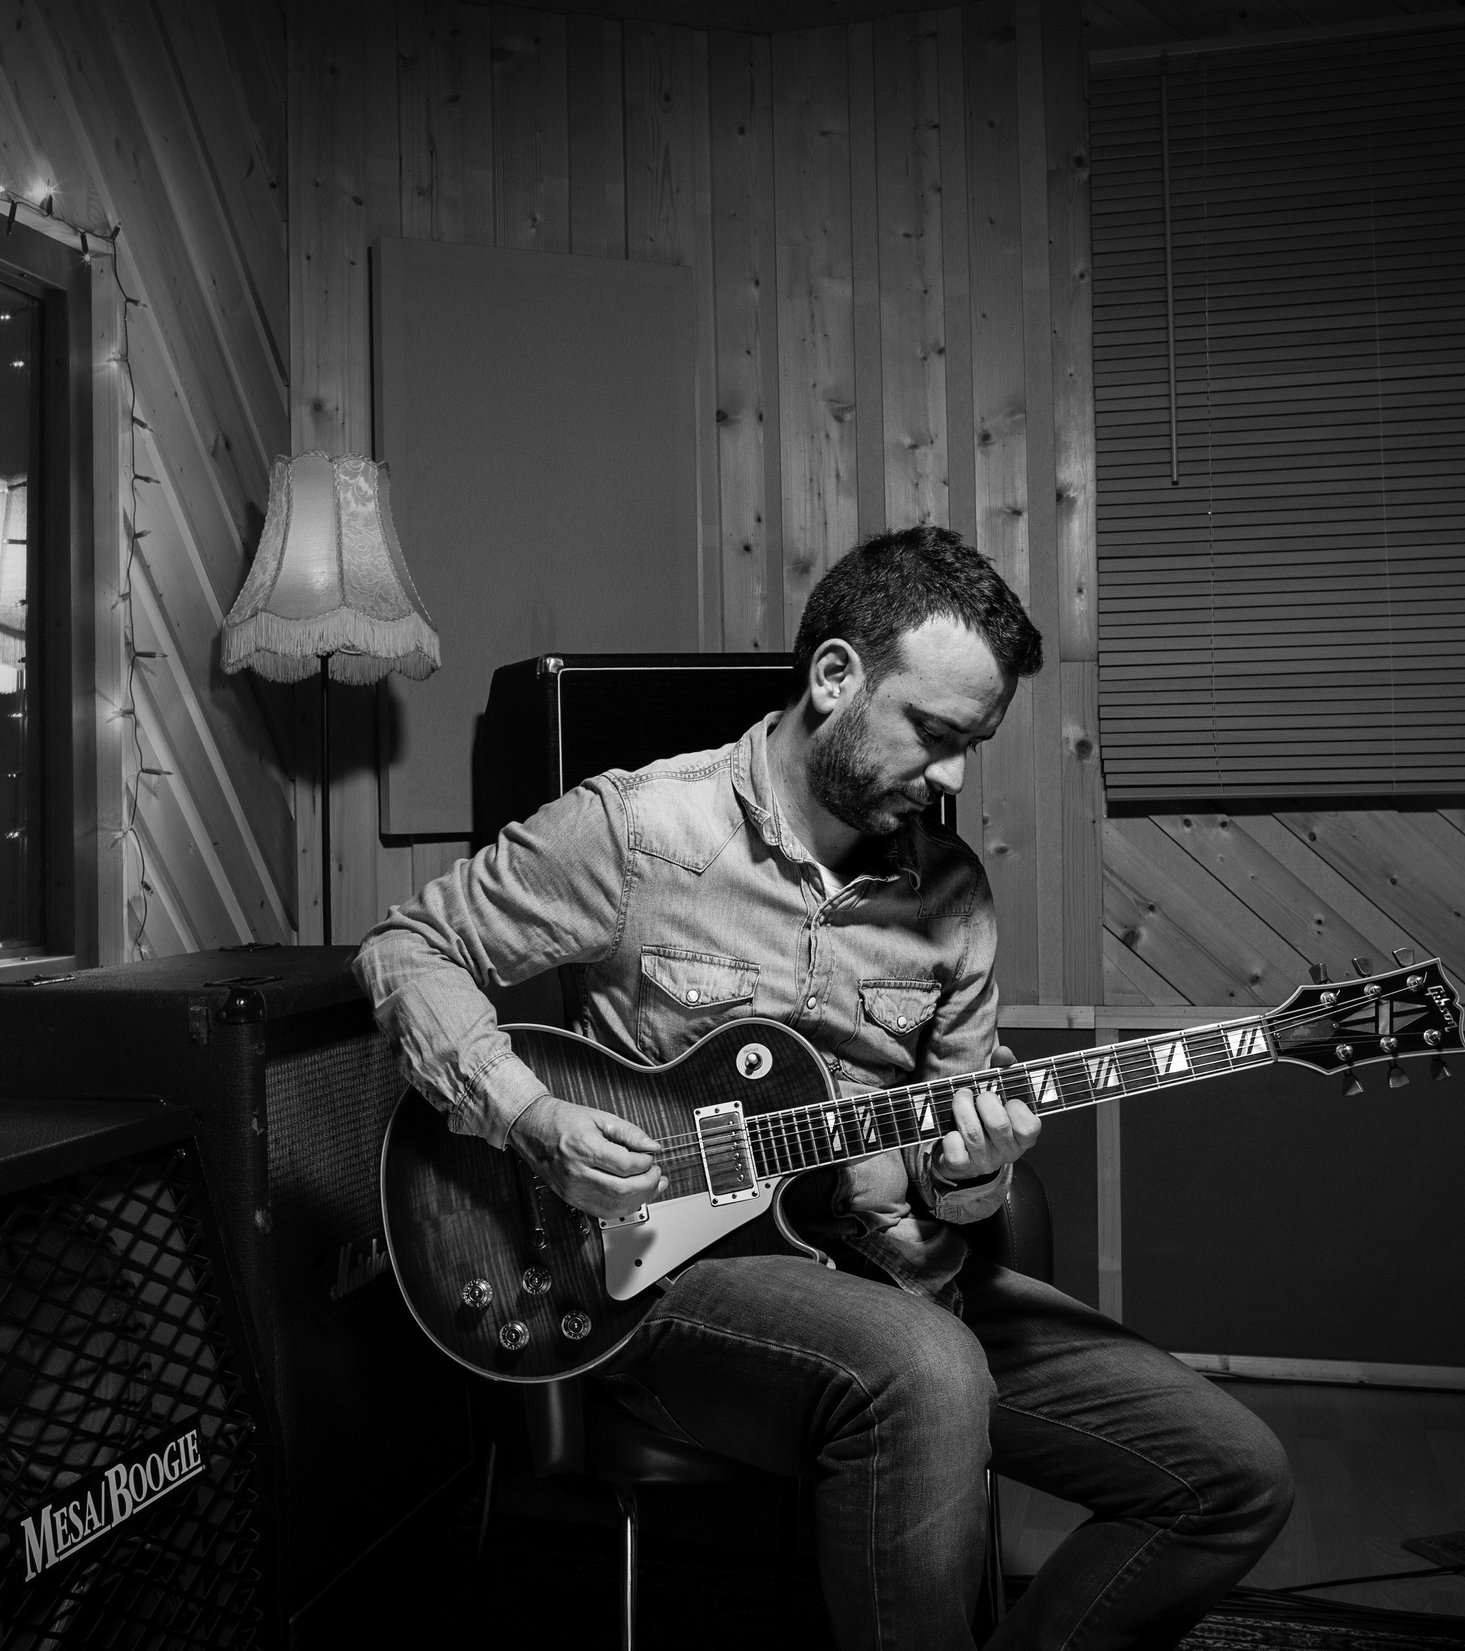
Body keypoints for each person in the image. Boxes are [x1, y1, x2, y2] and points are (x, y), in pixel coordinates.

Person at [354, 527, 1293, 1651]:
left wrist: (974, 1171)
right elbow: (407, 947)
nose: (953, 776)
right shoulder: (641, 832)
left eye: (973, 745)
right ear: (836, 676)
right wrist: (529, 1115)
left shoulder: (952, 897)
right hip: (659, 1281)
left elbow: (953, 1166)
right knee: (926, 1368)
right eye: (934, 733)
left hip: (894, 1268)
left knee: (1234, 1474)